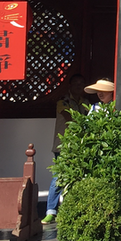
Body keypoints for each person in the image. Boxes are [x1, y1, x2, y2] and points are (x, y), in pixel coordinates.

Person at [43, 73, 84, 224]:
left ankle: (70, 208)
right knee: (59, 177)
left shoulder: (85, 102)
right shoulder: (63, 101)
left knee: (76, 177)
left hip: (80, 146)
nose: (79, 85)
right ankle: (51, 211)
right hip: (63, 145)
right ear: (70, 86)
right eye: (76, 83)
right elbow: (69, 118)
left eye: (81, 83)